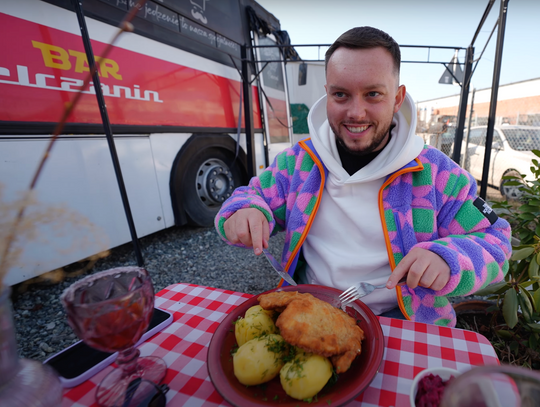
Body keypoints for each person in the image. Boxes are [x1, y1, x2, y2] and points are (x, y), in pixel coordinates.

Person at [214, 27, 512, 327]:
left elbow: (497, 243)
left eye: (373, 94)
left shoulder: (439, 175)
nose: (356, 113)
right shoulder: (298, 163)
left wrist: (448, 259)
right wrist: (243, 212)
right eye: (341, 94)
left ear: (397, 99)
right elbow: (250, 198)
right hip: (310, 308)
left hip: (406, 320)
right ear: (327, 95)